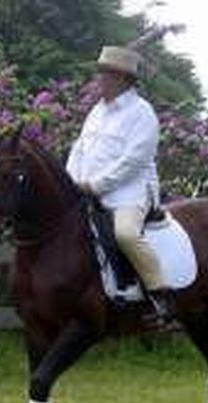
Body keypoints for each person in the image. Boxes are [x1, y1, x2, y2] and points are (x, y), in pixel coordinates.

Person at [65, 45, 171, 322]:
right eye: (100, 73)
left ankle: (160, 298)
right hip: (86, 189)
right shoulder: (97, 112)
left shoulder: (142, 113)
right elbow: (79, 149)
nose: (98, 78)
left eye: (104, 74)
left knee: (125, 234)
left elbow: (132, 162)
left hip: (130, 194)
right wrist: (71, 180)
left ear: (122, 79)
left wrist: (95, 185)